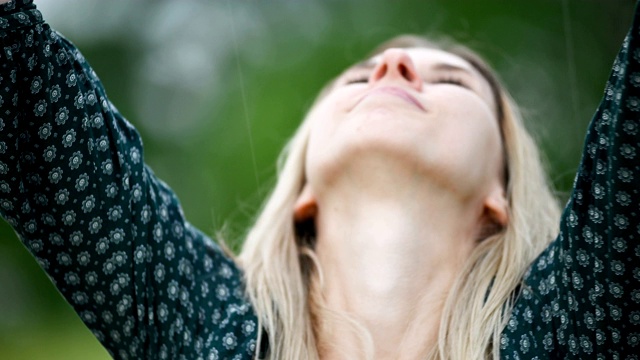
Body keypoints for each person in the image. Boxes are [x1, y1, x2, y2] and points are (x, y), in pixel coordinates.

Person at [0, 0, 638, 359]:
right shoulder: (206, 325)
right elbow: (28, 91)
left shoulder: (569, 331)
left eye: (450, 81)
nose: (392, 65)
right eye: (358, 79)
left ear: (500, 193)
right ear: (303, 190)